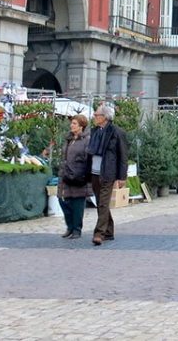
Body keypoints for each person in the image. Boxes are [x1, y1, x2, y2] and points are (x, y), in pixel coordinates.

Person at [87, 103, 129, 247]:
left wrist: (122, 176)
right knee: (100, 203)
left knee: (103, 203)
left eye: (96, 114)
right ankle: (109, 231)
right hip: (94, 172)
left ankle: (99, 233)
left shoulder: (117, 132)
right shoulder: (94, 131)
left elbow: (123, 155)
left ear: (104, 117)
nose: (94, 116)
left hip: (107, 172)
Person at [58, 115, 93, 240]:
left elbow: (88, 159)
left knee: (77, 203)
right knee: (63, 200)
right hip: (65, 175)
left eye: (74, 123)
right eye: (72, 123)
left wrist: (83, 173)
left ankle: (77, 229)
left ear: (81, 126)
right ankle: (69, 226)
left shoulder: (86, 140)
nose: (71, 125)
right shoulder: (69, 139)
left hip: (79, 176)